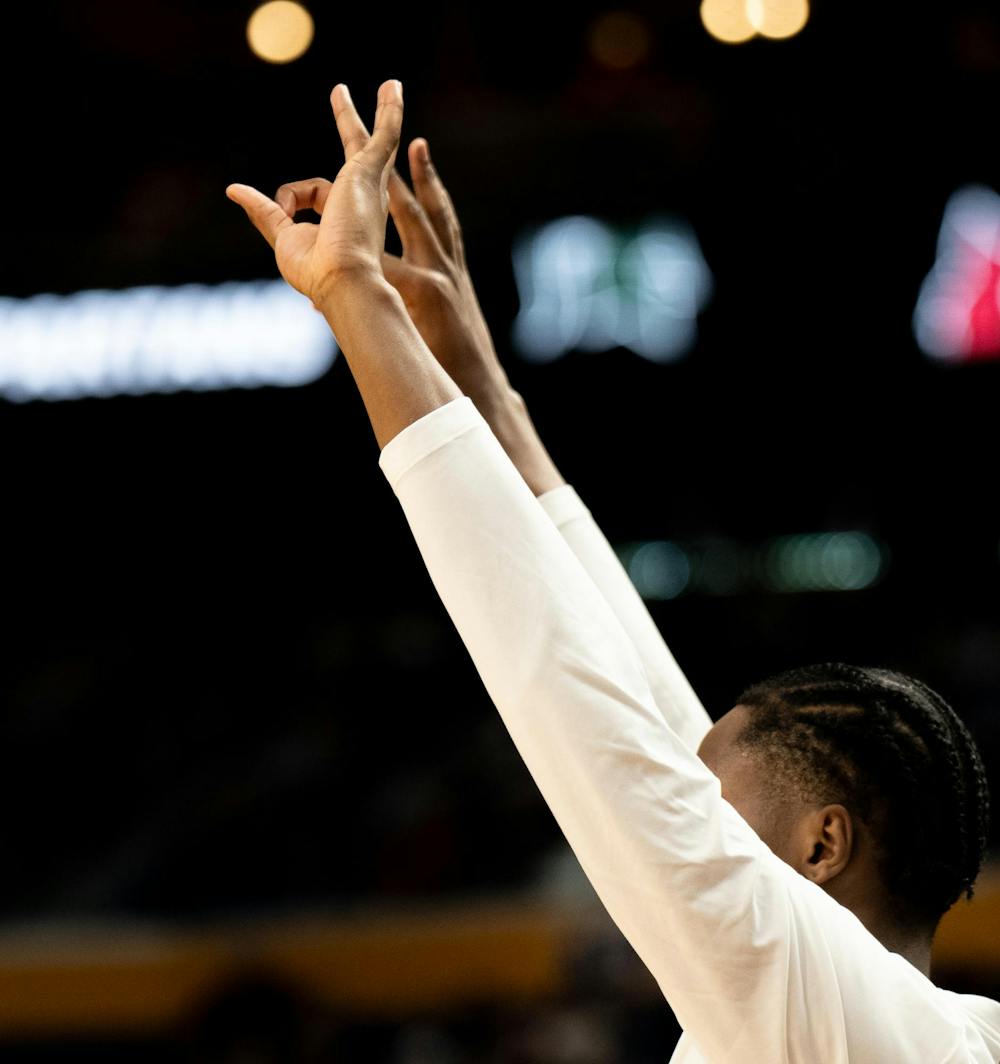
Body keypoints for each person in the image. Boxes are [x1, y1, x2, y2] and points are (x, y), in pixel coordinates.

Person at [226, 80, 1000, 1062]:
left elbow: (572, 693)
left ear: (821, 843)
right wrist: (485, 392)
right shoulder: (874, 1023)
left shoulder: (851, 1020)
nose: (676, 801)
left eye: (705, 801)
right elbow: (625, 683)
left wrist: (355, 300)